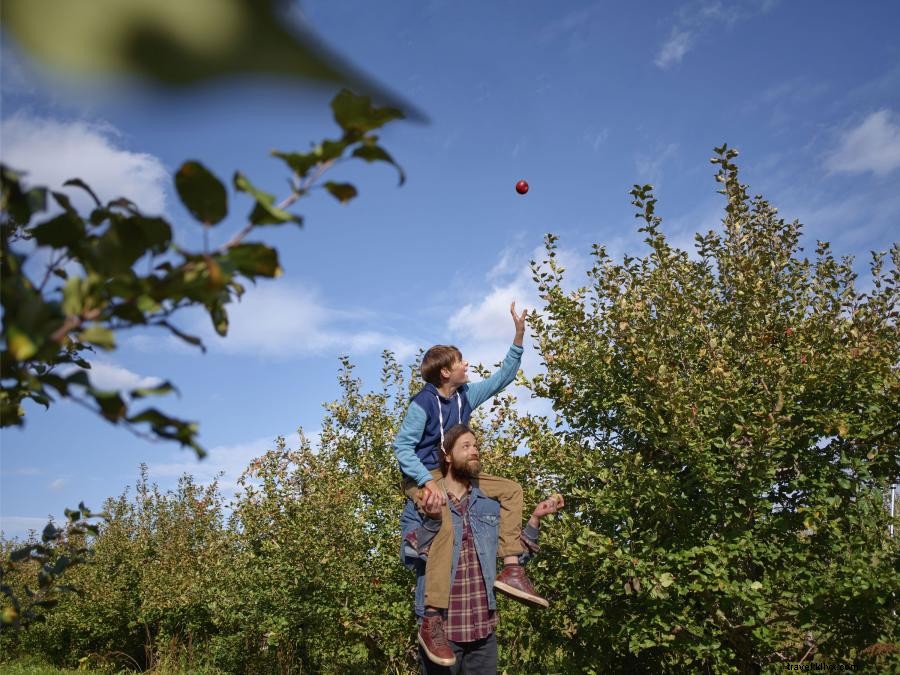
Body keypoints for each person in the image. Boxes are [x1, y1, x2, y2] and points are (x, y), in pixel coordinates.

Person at [393, 303, 549, 663]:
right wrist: (425, 484)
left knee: (511, 490)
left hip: (457, 472)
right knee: (444, 523)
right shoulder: (423, 404)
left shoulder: (465, 397)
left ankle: (511, 567)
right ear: (446, 372)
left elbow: (501, 379)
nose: (467, 366)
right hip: (426, 474)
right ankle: (432, 618)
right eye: (461, 362)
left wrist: (518, 337)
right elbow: (402, 446)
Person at [401, 423, 564, 672]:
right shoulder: (421, 504)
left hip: (483, 630)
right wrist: (434, 522)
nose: (474, 450)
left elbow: (513, 557)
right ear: (447, 455)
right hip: (441, 632)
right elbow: (409, 555)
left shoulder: (489, 505)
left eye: (476, 445)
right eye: (465, 446)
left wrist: (535, 520)